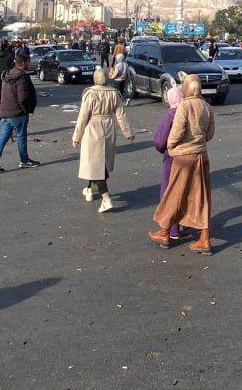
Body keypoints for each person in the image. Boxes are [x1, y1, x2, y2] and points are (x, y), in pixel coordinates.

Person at [149, 75, 215, 254]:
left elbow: (176, 132)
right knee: (202, 198)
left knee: (174, 195)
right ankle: (205, 239)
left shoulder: (185, 106)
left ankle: (165, 232)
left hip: (184, 157)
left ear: (186, 89)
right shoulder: (207, 107)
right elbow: (210, 134)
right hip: (201, 155)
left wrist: (171, 146)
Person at [71, 67, 133, 212]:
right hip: (108, 126)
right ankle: (90, 189)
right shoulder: (114, 93)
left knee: (94, 162)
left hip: (93, 127)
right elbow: (121, 114)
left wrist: (76, 136)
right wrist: (128, 132)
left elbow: (83, 117)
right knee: (99, 161)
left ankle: (106, 198)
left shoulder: (90, 93)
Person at [0, 55, 40, 173]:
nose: (28, 64)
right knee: (21, 137)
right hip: (18, 112)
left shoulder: (8, 75)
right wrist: (26, 109)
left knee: (2, 139)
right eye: (28, 62)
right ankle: (24, 160)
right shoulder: (22, 77)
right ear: (24, 63)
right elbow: (23, 97)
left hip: (6, 111)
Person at [154, 86, 188, 244]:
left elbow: (159, 141)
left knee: (169, 192)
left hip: (172, 158)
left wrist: (165, 150)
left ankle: (172, 230)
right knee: (186, 191)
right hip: (190, 156)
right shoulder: (190, 112)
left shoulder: (170, 116)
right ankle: (187, 222)